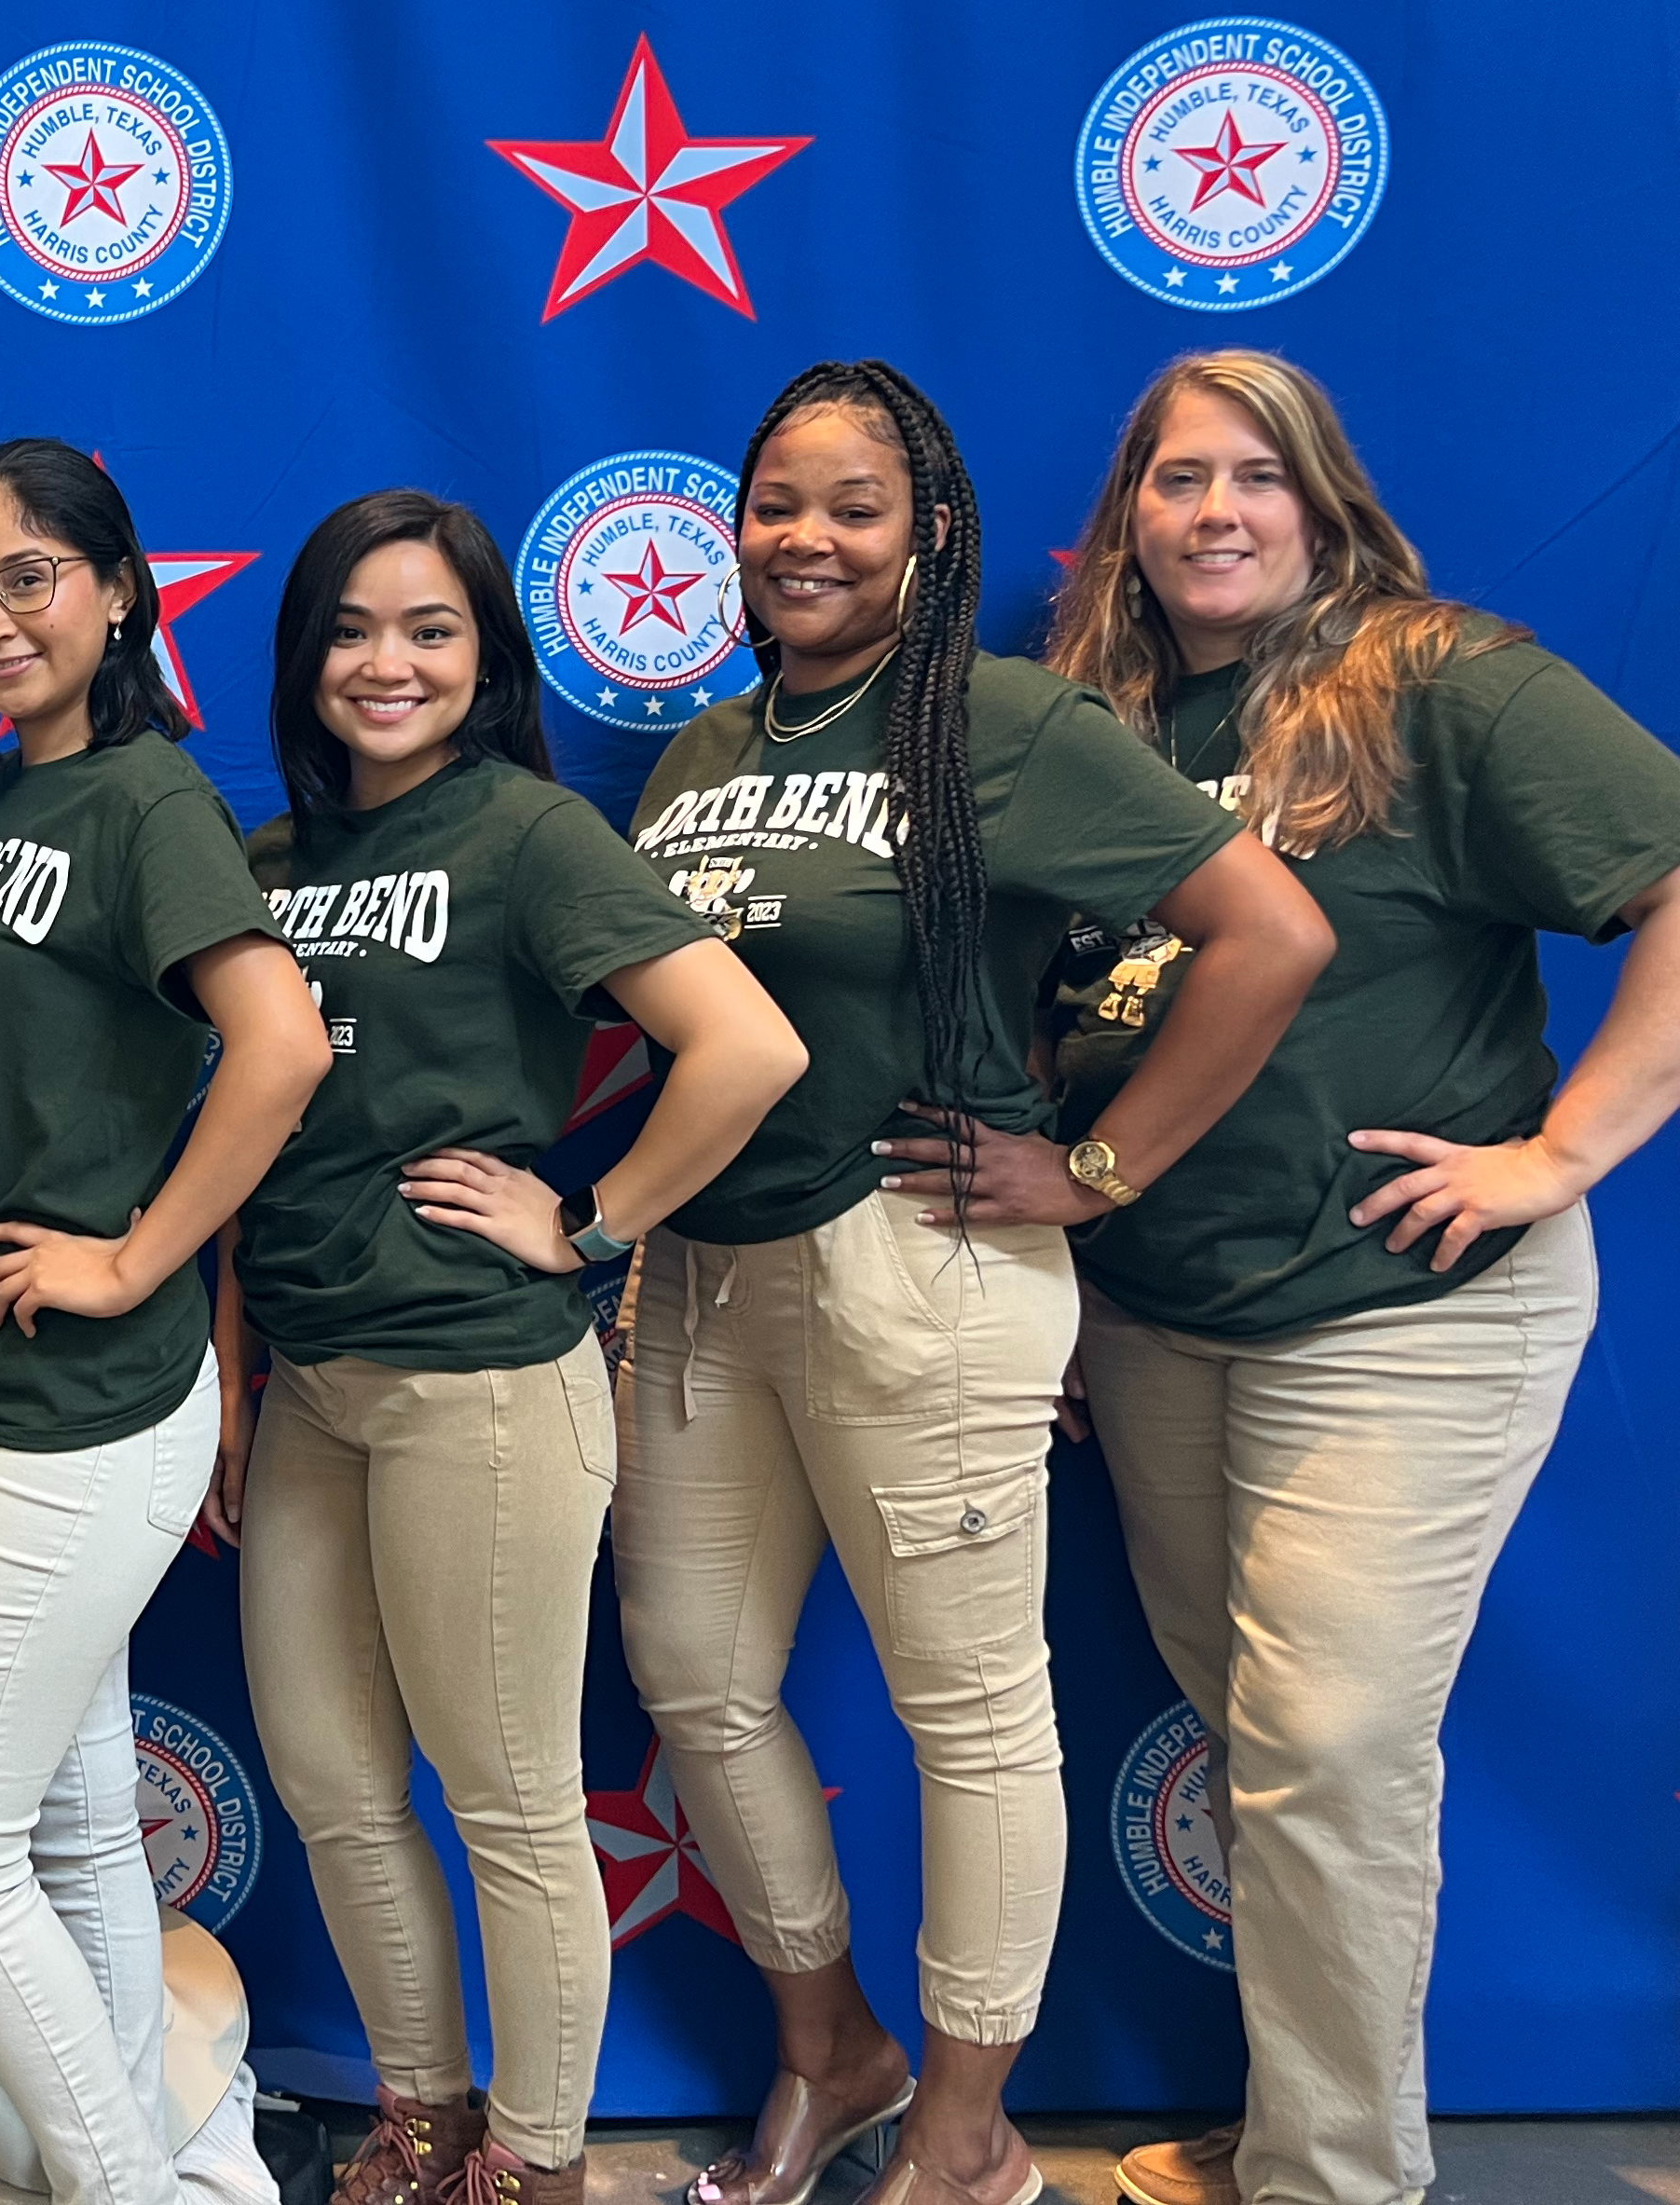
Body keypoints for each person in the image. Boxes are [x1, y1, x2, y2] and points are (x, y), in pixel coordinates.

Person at [610, 361, 1333, 2205]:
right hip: (700, 1272)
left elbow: (1269, 934)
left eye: (854, 505)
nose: (806, 539)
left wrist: (1097, 1169)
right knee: (696, 1679)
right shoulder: (700, 756)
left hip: (915, 1262)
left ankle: (967, 2127)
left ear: (928, 535)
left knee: (971, 1712)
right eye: (777, 501)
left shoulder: (1001, 724)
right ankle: (829, 2045)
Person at [1037, 350, 1680, 2205]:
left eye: (1256, 475)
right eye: (1177, 478)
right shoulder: (1097, 716)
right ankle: (1305, 2118)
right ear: (1128, 516)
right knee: (1266, 1743)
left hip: (1411, 1308)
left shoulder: (1438, 676)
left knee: (1323, 1744)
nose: (1215, 510)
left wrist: (1561, 1154)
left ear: (1323, 502)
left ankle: (1339, 2180)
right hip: (1166, 1311)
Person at [206, 492, 808, 2205]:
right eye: (350, 629)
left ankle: (537, 2162)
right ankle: (423, 2117)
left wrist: (593, 1221)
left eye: (430, 628)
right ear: (303, 654)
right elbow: (249, 1149)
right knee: (328, 1777)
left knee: (513, 1799)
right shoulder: (271, 867)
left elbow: (742, 1049)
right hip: (313, 1382)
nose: (385, 663)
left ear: (488, 653)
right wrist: (239, 1381)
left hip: (481, 1377)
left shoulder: (531, 834)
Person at [0, 438, 333, 2205]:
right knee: (64, 1824)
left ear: (118, 590)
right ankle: (151, 2159)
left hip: (94, 1405)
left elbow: (277, 1050)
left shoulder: (146, 801)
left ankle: (126, 2184)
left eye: (32, 577)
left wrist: (134, 1259)